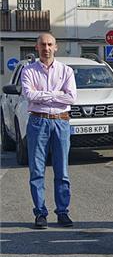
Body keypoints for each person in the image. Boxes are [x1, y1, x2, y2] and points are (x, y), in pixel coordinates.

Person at [20, 33, 77, 229]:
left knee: (62, 171)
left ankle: (62, 212)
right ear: (36, 47)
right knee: (37, 171)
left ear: (56, 47)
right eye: (43, 44)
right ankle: (40, 213)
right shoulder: (28, 71)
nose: (46, 48)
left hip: (61, 122)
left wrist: (43, 96)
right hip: (38, 121)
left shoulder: (66, 70)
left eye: (50, 44)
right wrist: (56, 95)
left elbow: (71, 98)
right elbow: (29, 95)